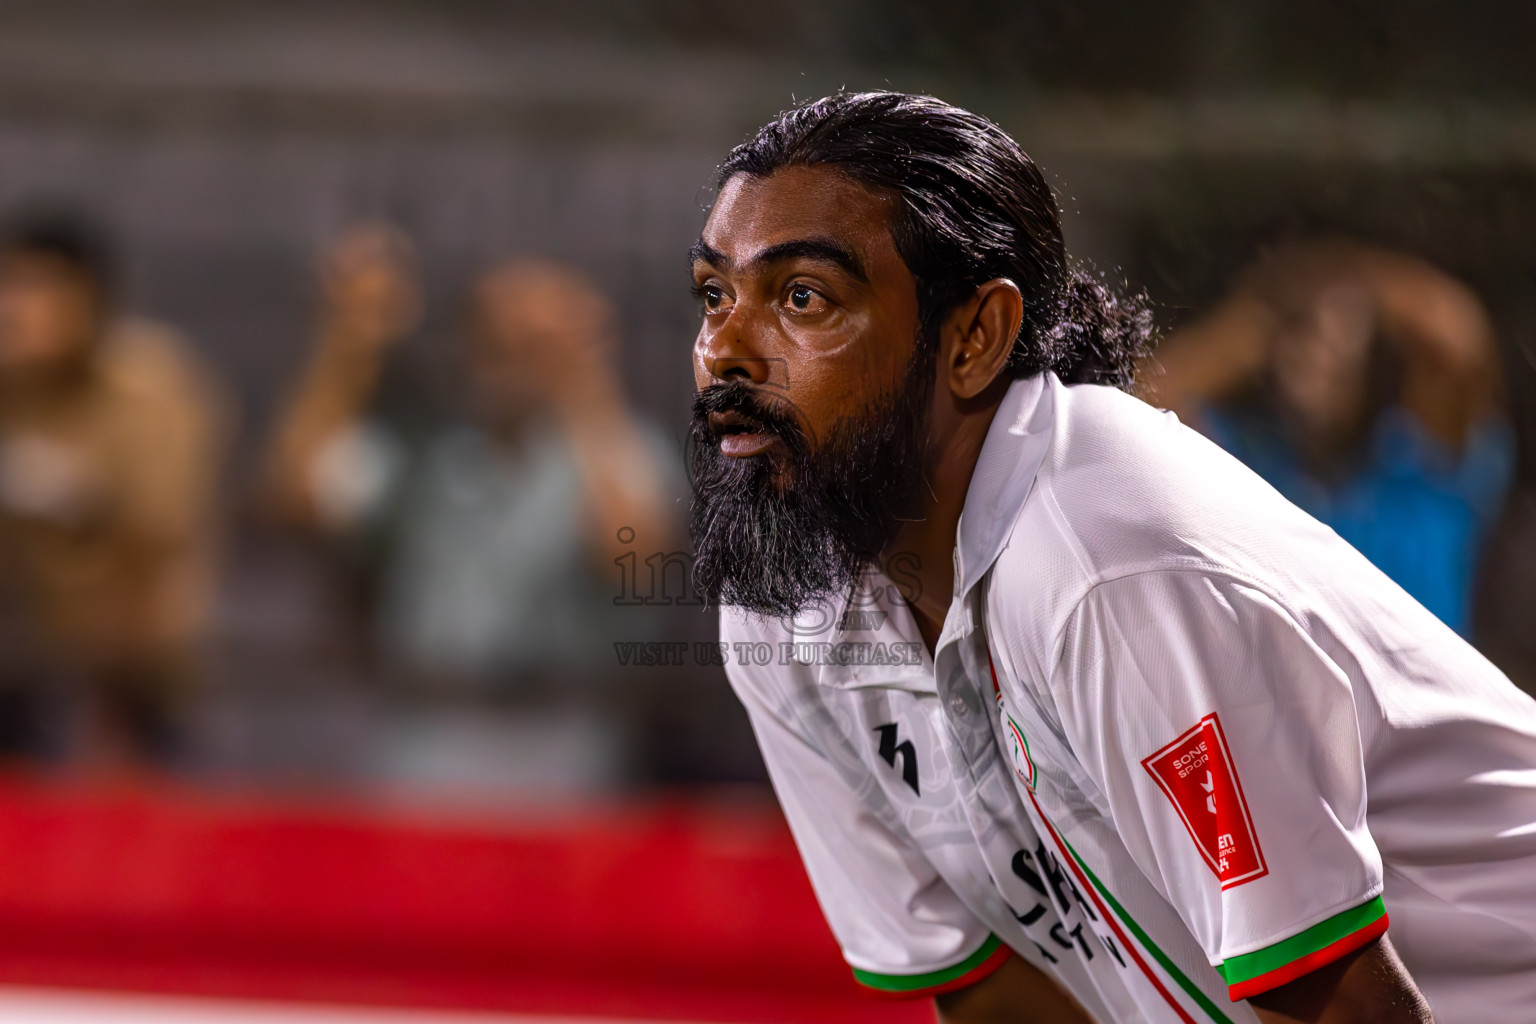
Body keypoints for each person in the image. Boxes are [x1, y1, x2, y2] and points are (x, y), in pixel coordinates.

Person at [689, 92, 1536, 1024]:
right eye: (715, 295)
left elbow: (1352, 1014)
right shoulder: (785, 602)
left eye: (803, 296)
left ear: (974, 338)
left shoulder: (1107, 563)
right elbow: (999, 998)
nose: (725, 349)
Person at [262, 226, 675, 689]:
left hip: (563, 720)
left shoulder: (617, 444)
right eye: (493, 338)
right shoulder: (427, 447)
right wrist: (350, 342)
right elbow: (299, 497)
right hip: (427, 712)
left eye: (531, 345)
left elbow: (635, 558)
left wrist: (581, 380)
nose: (508, 362)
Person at [1139, 240, 1513, 636]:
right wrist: (1268, 313)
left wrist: (1342, 280)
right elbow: (1143, 397)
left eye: (1341, 339)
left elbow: (1457, 334)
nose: (1321, 355)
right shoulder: (1254, 470)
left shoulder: (1426, 466)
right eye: (1302, 336)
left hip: (1431, 697)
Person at [0, 209, 225, 769]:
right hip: (24, 674)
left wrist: (73, 495)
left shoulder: (149, 388)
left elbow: (159, 536)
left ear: (91, 300)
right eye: (9, 286)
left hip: (132, 683)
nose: (17, 309)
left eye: (38, 288)